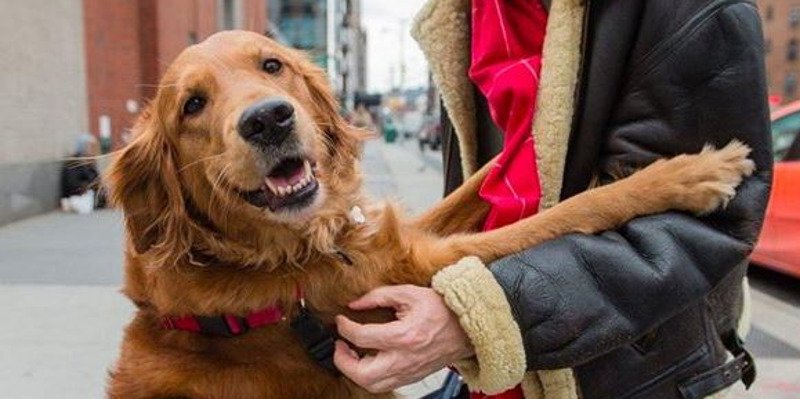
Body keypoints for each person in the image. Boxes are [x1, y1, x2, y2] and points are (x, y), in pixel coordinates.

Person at [333, 1, 772, 398]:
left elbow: (710, 218)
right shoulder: (460, 19)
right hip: (492, 375)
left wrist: (477, 318)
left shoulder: (686, 10)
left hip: (635, 380)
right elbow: (499, 190)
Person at [60, 133, 102, 214]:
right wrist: (86, 186)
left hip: (89, 193)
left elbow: (96, 179)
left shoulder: (90, 161)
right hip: (77, 195)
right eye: (90, 147)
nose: (92, 150)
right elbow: (72, 183)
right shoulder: (73, 161)